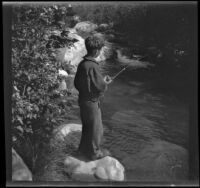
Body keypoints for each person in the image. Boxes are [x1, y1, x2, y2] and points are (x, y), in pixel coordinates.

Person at [74, 35, 112, 160]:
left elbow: (77, 83)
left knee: (87, 127)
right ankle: (95, 153)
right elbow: (100, 86)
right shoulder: (93, 65)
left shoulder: (82, 63)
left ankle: (83, 150)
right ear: (96, 51)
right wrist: (105, 82)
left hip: (83, 100)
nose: (100, 52)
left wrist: (99, 82)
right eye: (100, 50)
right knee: (96, 129)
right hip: (91, 102)